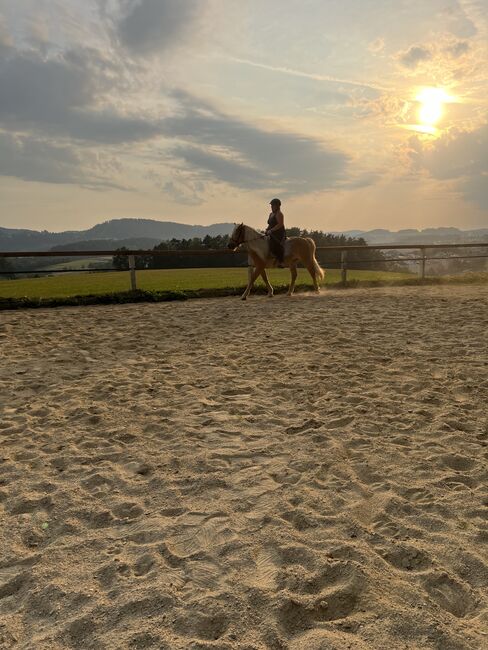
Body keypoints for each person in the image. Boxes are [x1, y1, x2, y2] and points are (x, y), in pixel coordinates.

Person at [265, 198, 286, 265]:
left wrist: (271, 230)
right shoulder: (271, 214)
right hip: (271, 232)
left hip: (279, 233)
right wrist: (267, 230)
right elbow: (270, 224)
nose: (271, 207)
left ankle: (281, 261)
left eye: (272, 205)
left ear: (277, 206)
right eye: (271, 205)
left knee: (276, 244)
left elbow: (280, 224)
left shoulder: (279, 214)